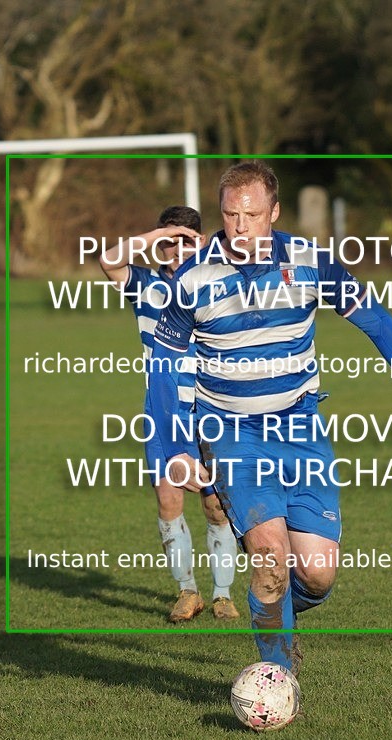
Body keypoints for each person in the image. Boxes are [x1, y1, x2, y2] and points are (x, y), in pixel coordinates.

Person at [151, 163, 392, 673]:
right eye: (229, 214)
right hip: (229, 432)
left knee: (316, 575)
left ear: (274, 212)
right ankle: (276, 674)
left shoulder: (312, 262)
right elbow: (162, 364)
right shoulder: (192, 276)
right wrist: (173, 448)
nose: (240, 225)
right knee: (268, 555)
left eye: (251, 214)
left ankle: (275, 611)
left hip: (300, 429)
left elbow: (375, 318)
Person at [99, 206, 240, 622]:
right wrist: (159, 233)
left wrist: (201, 249)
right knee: (168, 500)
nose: (176, 250)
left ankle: (222, 594)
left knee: (217, 506)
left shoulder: (215, 285)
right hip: (163, 412)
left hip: (213, 407)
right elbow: (109, 259)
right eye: (169, 242)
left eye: (185, 241)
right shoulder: (144, 285)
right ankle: (187, 592)